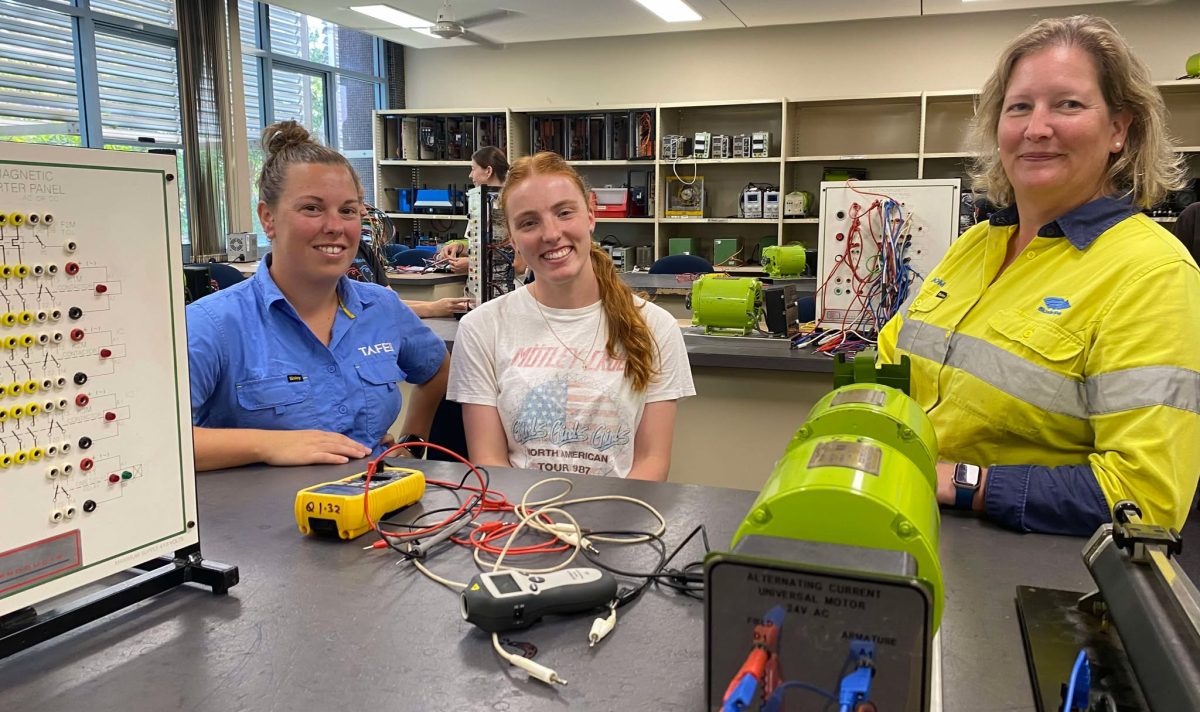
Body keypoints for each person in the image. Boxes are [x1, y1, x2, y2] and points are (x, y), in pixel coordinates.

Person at [878, 15, 1200, 536]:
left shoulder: (1153, 273)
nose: (1036, 128)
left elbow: (1146, 499)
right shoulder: (973, 247)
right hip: (907, 528)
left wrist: (964, 483)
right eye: (1019, 107)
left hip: (1030, 575)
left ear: (1120, 128)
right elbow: (889, 369)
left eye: (1068, 105)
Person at [187, 120, 450, 471]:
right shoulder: (212, 325)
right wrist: (267, 445)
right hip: (259, 520)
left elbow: (437, 370)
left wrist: (413, 443)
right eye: (312, 208)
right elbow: (155, 442)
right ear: (268, 218)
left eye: (348, 210)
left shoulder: (382, 307)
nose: (335, 226)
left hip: (374, 510)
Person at [448, 152, 695, 481]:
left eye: (564, 213)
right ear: (512, 237)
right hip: (519, 519)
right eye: (529, 222)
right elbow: (491, 463)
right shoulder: (482, 328)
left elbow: (651, 462)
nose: (551, 234)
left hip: (620, 521)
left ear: (590, 214)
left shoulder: (655, 327)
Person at [435, 146, 526, 287]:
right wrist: (459, 247)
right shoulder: (480, 204)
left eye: (473, 169)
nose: (470, 175)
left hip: (507, 289)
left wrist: (473, 264)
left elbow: (518, 264)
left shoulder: (515, 205)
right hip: (480, 289)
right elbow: (478, 248)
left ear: (488, 171)